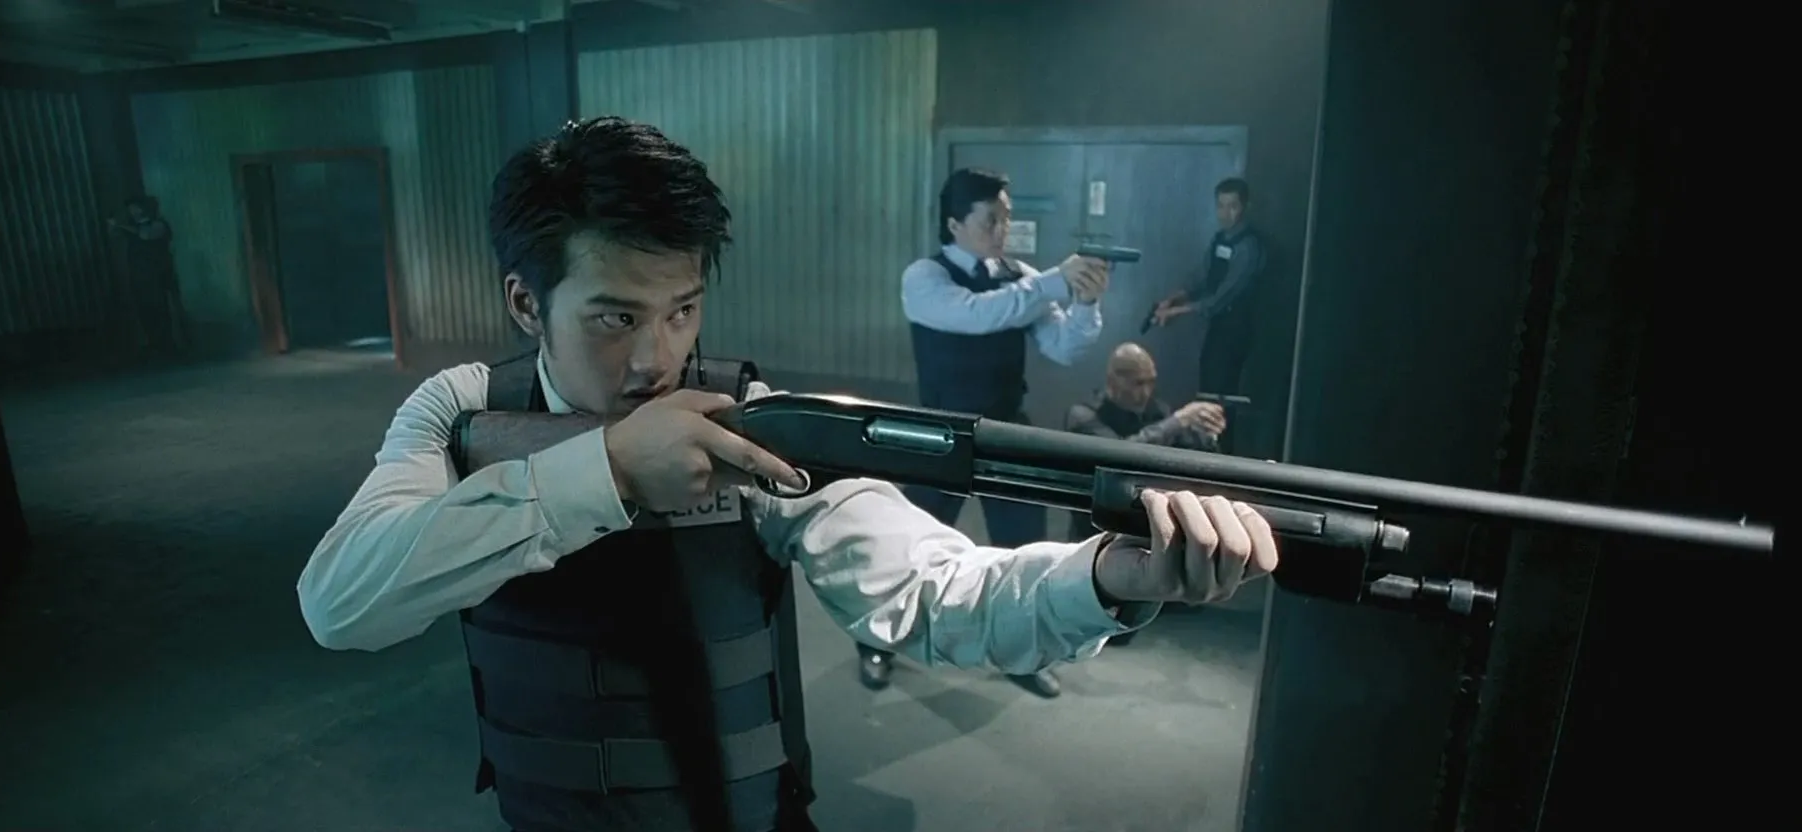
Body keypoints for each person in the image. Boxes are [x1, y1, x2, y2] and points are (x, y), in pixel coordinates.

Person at [296, 117, 1280, 832]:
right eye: (615, 317)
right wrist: (608, 471)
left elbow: (937, 591)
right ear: (524, 302)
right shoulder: (461, 407)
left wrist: (1108, 576)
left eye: (682, 310)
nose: (657, 360)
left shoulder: (750, 414)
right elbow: (340, 602)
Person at [872, 167, 1112, 699]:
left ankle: (1021, 652)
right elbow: (978, 314)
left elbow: (1063, 347)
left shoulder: (1019, 276)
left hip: (1006, 428)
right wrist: (1054, 281)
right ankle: (876, 641)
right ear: (954, 224)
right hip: (940, 429)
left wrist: (1086, 300)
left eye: (1006, 218)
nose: (1003, 230)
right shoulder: (925, 277)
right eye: (990, 220)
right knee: (908, 542)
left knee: (1025, 548)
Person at [1064, 342, 1230, 646]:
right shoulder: (1083, 415)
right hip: (1096, 527)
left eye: (1150, 382)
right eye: (1137, 383)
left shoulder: (1156, 411)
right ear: (1113, 380)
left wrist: (1206, 436)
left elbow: (1189, 460)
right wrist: (1177, 422)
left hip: (1142, 522)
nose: (1145, 392)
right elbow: (1119, 455)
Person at [1148, 177, 1264, 409]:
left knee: (1221, 392)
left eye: (1233, 206)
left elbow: (1221, 299)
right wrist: (1171, 299)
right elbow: (1201, 277)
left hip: (1236, 330)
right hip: (1217, 327)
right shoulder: (1219, 239)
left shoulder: (1248, 247)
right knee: (1208, 382)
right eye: (1221, 206)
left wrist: (1176, 312)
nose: (1225, 214)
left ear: (1245, 207)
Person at [107, 196, 183, 352]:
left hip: (159, 277)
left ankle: (170, 344)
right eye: (131, 209)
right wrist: (113, 227)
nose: (133, 211)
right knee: (145, 312)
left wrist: (120, 226)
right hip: (139, 277)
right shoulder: (131, 227)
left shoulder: (159, 224)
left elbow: (145, 235)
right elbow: (114, 237)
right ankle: (153, 343)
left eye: (136, 207)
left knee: (162, 310)